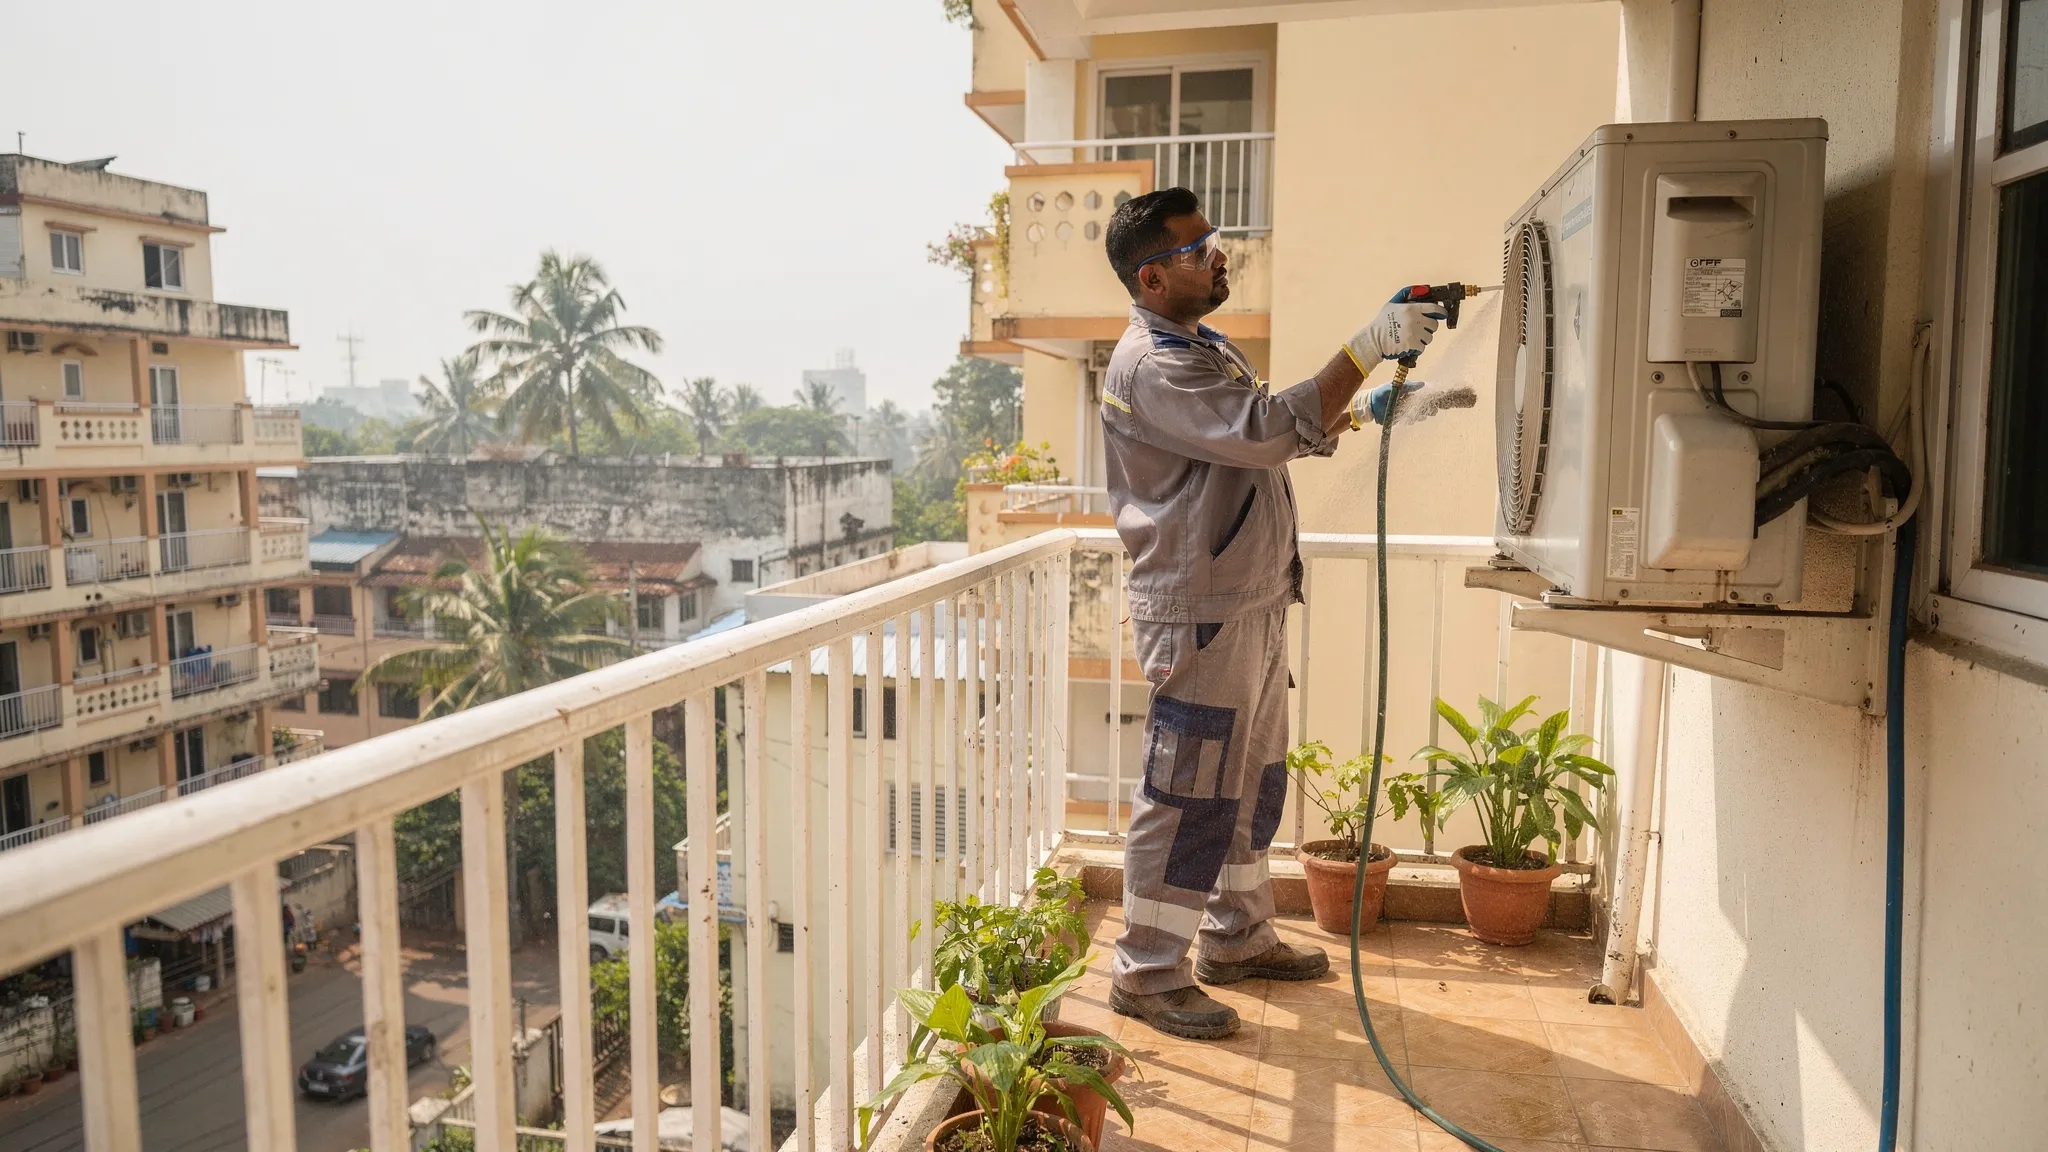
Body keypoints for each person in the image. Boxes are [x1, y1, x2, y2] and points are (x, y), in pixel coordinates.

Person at [1098, 187, 1444, 1040]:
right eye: (1196, 249)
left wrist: (1356, 410)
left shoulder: (1198, 343)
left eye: (1213, 239)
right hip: (1202, 609)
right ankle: (1146, 973)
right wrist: (1365, 350)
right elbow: (1258, 431)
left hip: (1247, 600)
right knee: (1185, 793)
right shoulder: (1154, 363)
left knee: (1249, 782)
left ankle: (1238, 939)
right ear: (1151, 277)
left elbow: (1249, 444)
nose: (1219, 254)